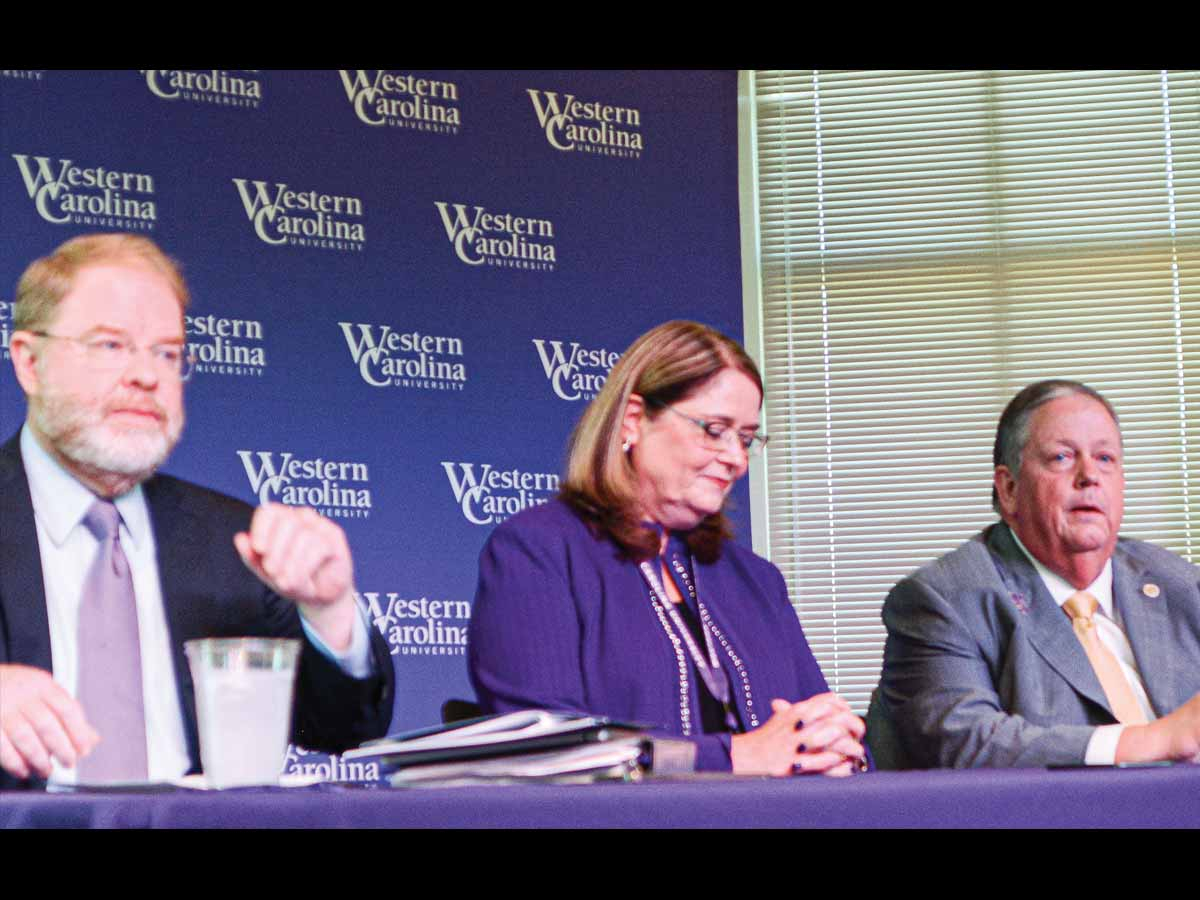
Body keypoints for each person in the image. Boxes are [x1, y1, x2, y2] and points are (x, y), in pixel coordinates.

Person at [0, 234, 393, 789]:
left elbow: (341, 727)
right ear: (30, 363)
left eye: (166, 352)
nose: (146, 375)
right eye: (111, 346)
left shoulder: (232, 539)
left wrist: (328, 611)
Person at [468, 321, 865, 775]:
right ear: (634, 420)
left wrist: (836, 749)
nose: (737, 458)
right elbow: (545, 749)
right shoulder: (539, 551)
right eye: (715, 430)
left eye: (747, 438)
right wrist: (735, 756)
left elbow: (816, 723)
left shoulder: (755, 579)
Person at [868, 379, 1200, 768]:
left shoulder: (1180, 585)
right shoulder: (944, 599)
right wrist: (1153, 740)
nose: (1089, 475)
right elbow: (965, 742)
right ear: (1008, 489)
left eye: (1105, 459)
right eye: (1062, 457)